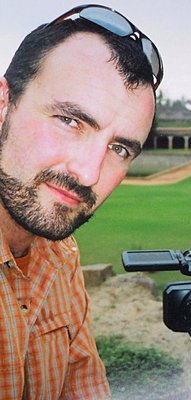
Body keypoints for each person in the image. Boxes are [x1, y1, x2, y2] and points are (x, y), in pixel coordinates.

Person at [0, 4, 163, 399]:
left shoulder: (61, 255)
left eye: (120, 148)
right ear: (3, 104)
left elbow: (84, 385)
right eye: (71, 121)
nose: (89, 174)